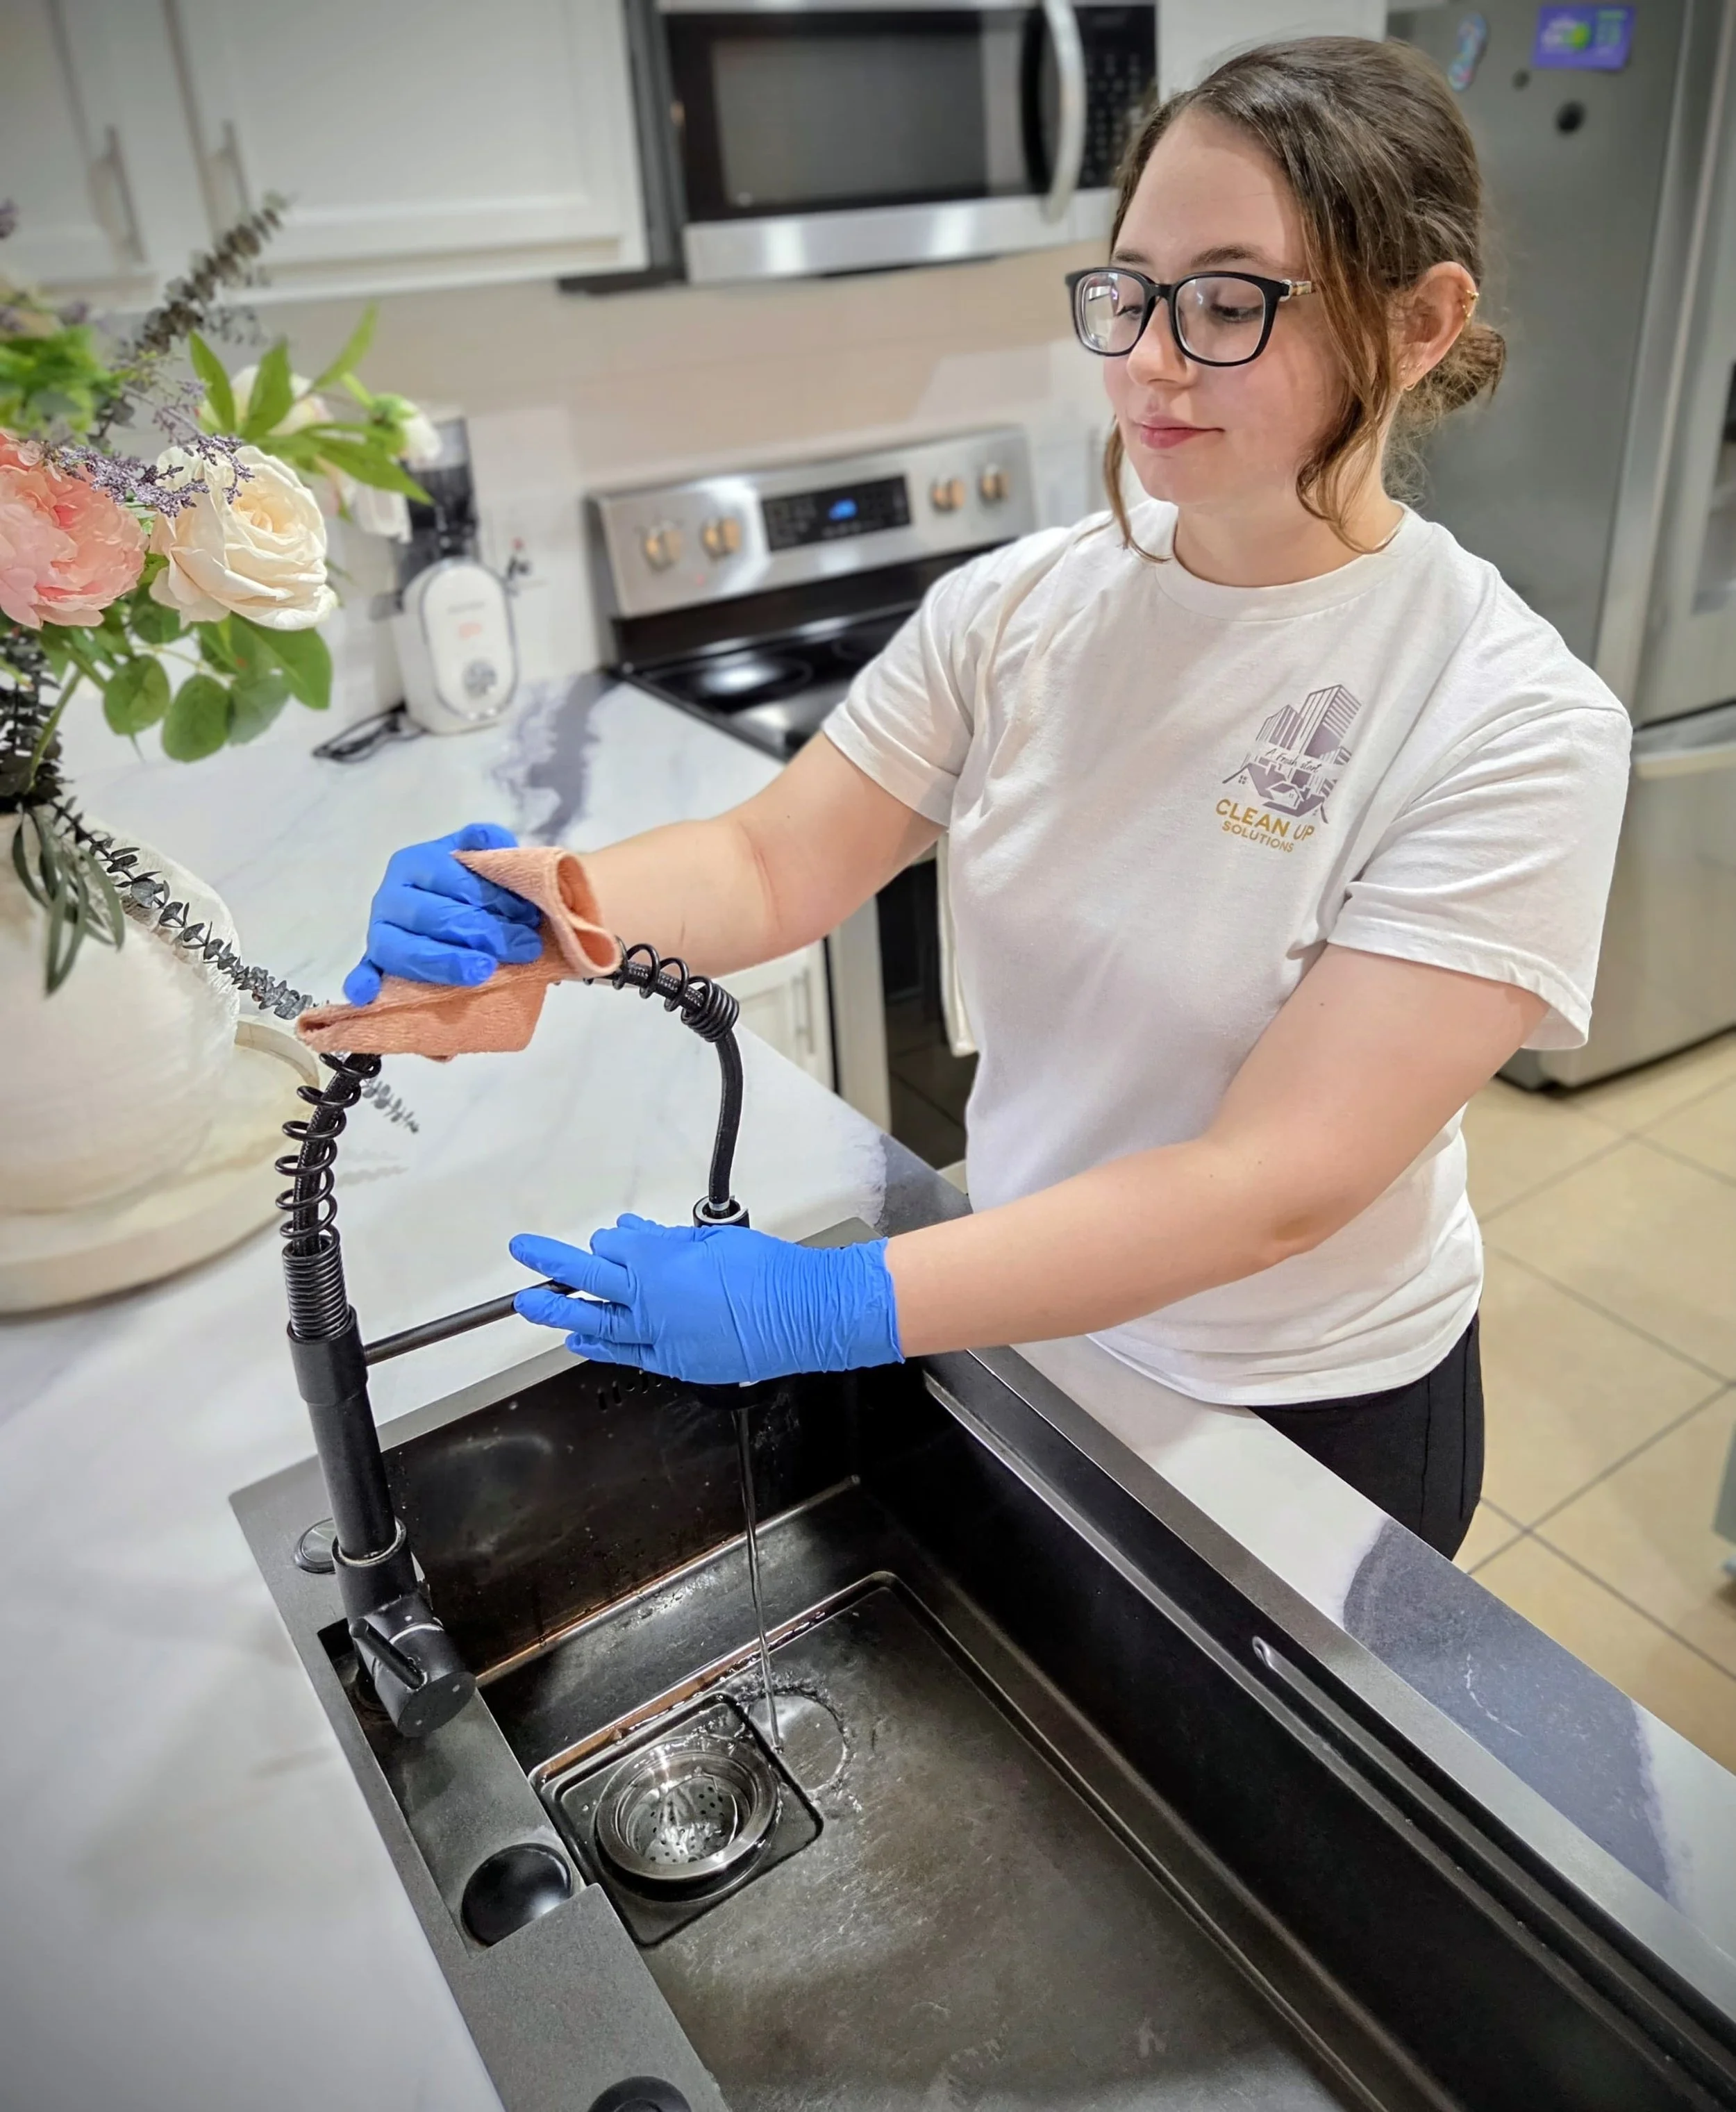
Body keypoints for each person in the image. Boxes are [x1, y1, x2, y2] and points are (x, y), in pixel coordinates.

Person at [341, 39, 1630, 1559]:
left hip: (1293, 1410)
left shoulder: (1509, 721)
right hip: (1025, 1311)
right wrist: (545, 909)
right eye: (1131, 291)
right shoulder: (1020, 608)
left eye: (1228, 302)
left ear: (1419, 324)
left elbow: (1268, 1186)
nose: (1148, 361)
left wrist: (828, 1303)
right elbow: (772, 862)